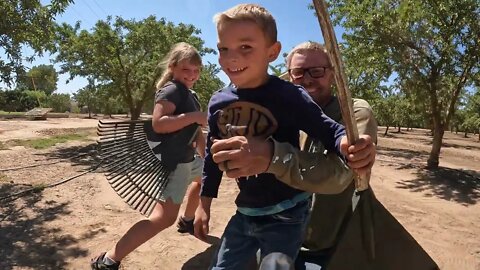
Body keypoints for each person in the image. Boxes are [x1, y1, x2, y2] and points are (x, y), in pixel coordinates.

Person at [194, 4, 350, 269]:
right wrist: (204, 204)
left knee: (275, 266)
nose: (231, 58)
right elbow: (212, 156)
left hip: (288, 212)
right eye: (223, 49)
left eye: (245, 47)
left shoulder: (289, 96)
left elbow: (330, 130)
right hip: (245, 211)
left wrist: (347, 143)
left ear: (272, 52)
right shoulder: (218, 102)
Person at [210, 41, 377, 269]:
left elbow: (339, 175)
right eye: (298, 73)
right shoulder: (279, 107)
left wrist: (272, 157)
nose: (307, 79)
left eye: (316, 71)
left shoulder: (354, 112)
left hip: (322, 242)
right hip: (273, 226)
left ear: (332, 74)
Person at [90, 42, 207, 270]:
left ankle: (188, 221)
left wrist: (205, 153)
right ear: (173, 67)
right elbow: (159, 124)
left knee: (205, 179)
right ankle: (109, 260)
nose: (192, 75)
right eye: (186, 70)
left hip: (188, 159)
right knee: (162, 219)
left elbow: (195, 128)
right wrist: (195, 116)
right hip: (175, 165)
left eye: (196, 70)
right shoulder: (171, 90)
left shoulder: (189, 94)